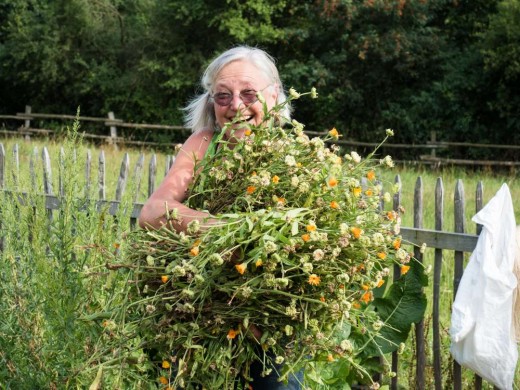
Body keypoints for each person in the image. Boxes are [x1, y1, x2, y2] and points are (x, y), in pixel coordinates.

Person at [138, 46, 303, 389]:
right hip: (194, 320)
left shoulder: (295, 162)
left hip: (267, 331)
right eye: (223, 96)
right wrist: (229, 231)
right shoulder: (203, 145)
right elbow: (153, 212)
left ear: (274, 97)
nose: (236, 106)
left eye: (249, 93)